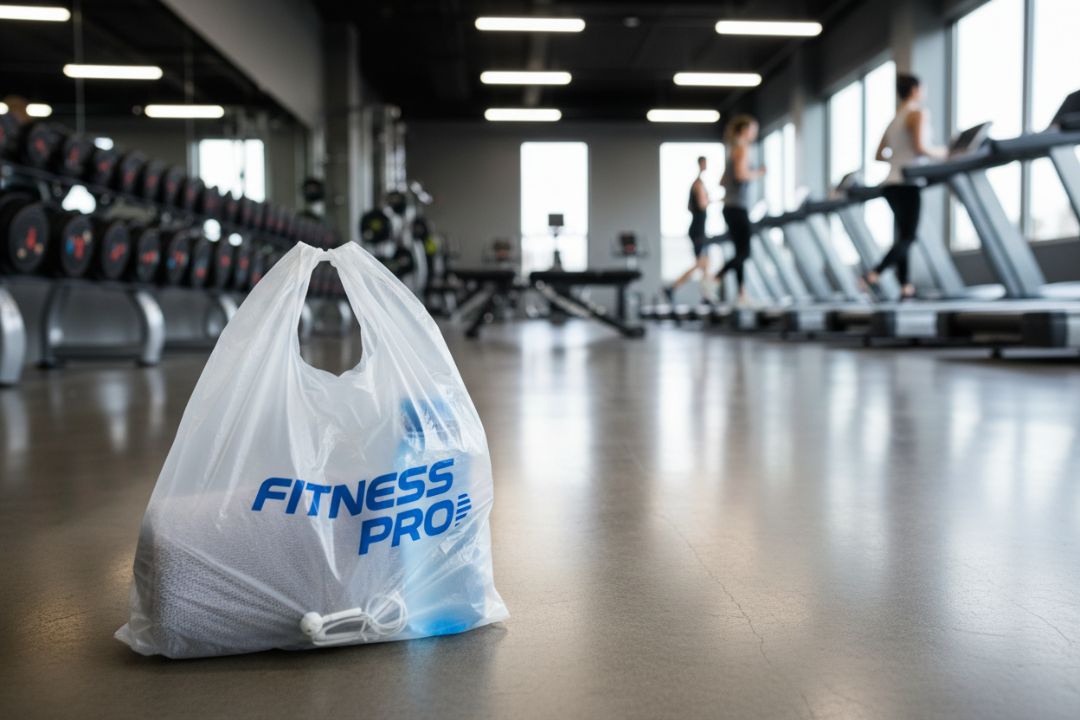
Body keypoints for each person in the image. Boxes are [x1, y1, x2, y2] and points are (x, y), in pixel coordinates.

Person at [865, 73, 946, 299]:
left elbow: (879, 155)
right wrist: (945, 153)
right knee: (909, 236)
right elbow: (921, 147)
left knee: (903, 236)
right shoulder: (917, 113)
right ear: (915, 90)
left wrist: (898, 158)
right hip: (908, 182)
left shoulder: (895, 119)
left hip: (891, 183)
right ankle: (874, 274)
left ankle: (904, 286)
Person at [715, 115, 765, 304]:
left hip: (730, 206)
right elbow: (741, 175)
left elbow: (722, 180)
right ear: (744, 130)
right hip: (737, 207)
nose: (755, 133)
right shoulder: (742, 148)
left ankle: (742, 294)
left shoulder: (733, 150)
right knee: (745, 253)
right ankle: (715, 278)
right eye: (753, 129)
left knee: (739, 253)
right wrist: (758, 173)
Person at [663, 156, 713, 303]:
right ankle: (672, 288)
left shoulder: (698, 184)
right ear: (700, 164)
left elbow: (690, 206)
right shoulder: (698, 184)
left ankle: (706, 296)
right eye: (704, 164)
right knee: (700, 263)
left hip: (698, 228)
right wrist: (711, 199)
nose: (706, 166)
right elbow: (703, 204)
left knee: (705, 263)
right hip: (697, 229)